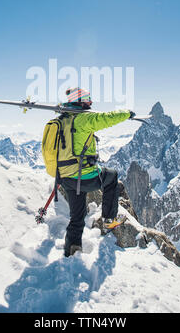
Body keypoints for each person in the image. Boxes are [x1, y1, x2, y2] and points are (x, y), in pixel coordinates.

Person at [57, 87, 135, 257]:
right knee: (112, 176)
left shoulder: (64, 118)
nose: (91, 102)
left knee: (77, 217)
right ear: (80, 101)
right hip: (82, 177)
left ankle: (72, 251)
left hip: (66, 177)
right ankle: (109, 220)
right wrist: (127, 113)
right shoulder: (84, 119)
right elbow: (107, 119)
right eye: (88, 99)